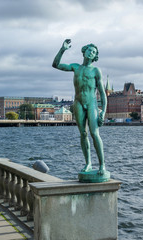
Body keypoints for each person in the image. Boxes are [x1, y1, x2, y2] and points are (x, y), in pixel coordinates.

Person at [52, 39, 107, 175]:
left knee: (94, 133)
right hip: (78, 103)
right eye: (89, 50)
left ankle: (102, 165)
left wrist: (103, 112)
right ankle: (88, 163)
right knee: (83, 134)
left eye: (93, 52)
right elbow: (56, 64)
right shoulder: (76, 67)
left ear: (95, 57)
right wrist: (62, 49)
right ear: (84, 52)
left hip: (92, 103)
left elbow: (102, 93)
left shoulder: (96, 71)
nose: (91, 53)